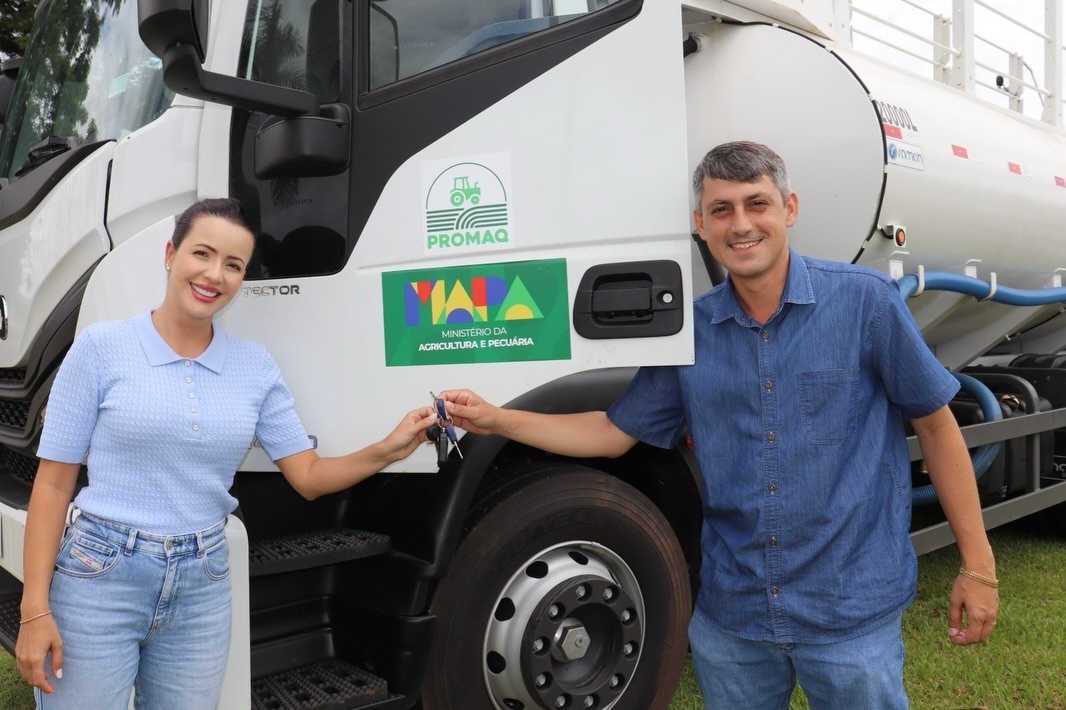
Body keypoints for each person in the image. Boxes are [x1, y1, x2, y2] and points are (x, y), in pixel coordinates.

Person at [440, 141, 999, 708]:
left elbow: (937, 427)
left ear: (789, 208)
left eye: (757, 203)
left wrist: (978, 566)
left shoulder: (865, 303)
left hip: (849, 615)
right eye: (722, 209)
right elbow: (612, 432)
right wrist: (496, 418)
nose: (741, 224)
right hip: (733, 621)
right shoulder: (690, 334)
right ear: (700, 224)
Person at [15, 198, 439, 709]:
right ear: (170, 254)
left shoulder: (254, 367)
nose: (214, 275)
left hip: (203, 583)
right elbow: (53, 483)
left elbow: (307, 475)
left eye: (233, 264)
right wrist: (34, 610)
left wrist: (387, 449)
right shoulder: (100, 347)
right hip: (100, 575)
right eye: (202, 253)